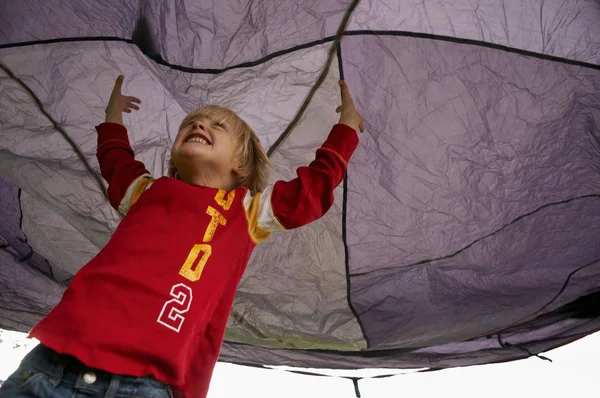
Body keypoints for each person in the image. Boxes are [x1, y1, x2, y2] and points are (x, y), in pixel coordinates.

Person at [0, 75, 364, 398]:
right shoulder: (146, 191)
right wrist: (113, 117)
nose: (200, 122)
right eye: (191, 122)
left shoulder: (245, 213)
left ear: (240, 164)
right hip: (52, 364)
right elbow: (115, 159)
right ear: (175, 156)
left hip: (144, 384)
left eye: (218, 125)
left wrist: (346, 128)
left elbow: (311, 191)